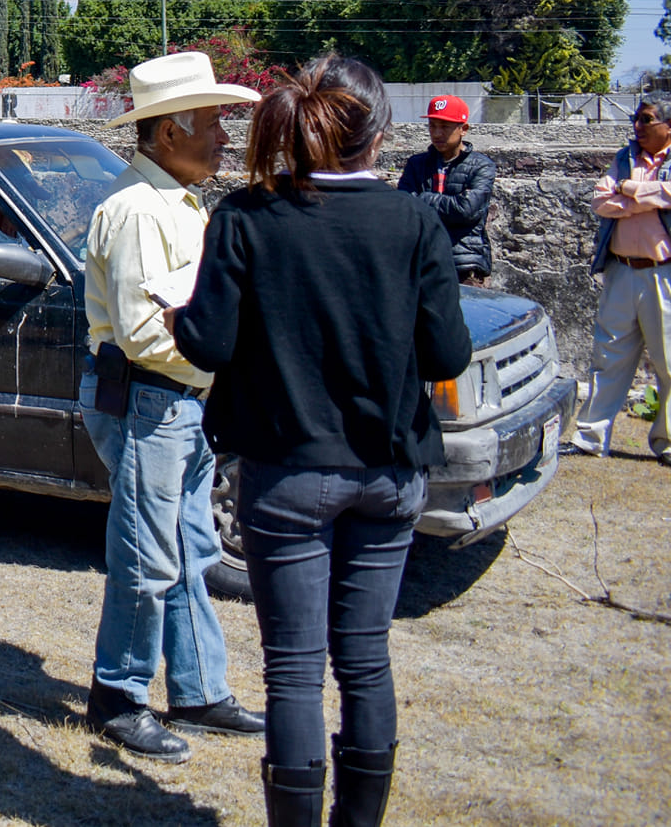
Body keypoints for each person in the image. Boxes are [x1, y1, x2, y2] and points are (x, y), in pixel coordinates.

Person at [174, 54, 473, 827]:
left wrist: (179, 316)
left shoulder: (245, 216)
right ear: (379, 133)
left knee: (297, 673)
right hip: (388, 473)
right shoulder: (413, 221)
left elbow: (206, 345)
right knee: (365, 660)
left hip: (287, 476)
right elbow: (445, 355)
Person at [79, 52, 266, 764]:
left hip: (172, 401)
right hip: (150, 399)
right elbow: (145, 332)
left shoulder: (172, 203)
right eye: (213, 121)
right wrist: (229, 364)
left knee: (188, 548)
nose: (225, 136)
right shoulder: (138, 211)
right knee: (148, 552)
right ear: (167, 133)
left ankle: (196, 688)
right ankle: (118, 695)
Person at [566, 92, 671, 463]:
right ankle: (590, 438)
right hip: (622, 271)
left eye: (646, 120)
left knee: (669, 360)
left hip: (664, 274)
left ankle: (668, 443)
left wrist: (627, 190)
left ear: (667, 125)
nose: (637, 126)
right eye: (637, 120)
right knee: (607, 355)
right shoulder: (624, 157)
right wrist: (649, 196)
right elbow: (599, 201)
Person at [394, 93, 497, 285]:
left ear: (463, 129)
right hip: (423, 260)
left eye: (445, 127)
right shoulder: (417, 165)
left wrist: (422, 199)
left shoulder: (482, 166)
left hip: (464, 264)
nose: (437, 133)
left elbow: (466, 210)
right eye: (433, 126)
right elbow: (403, 206)